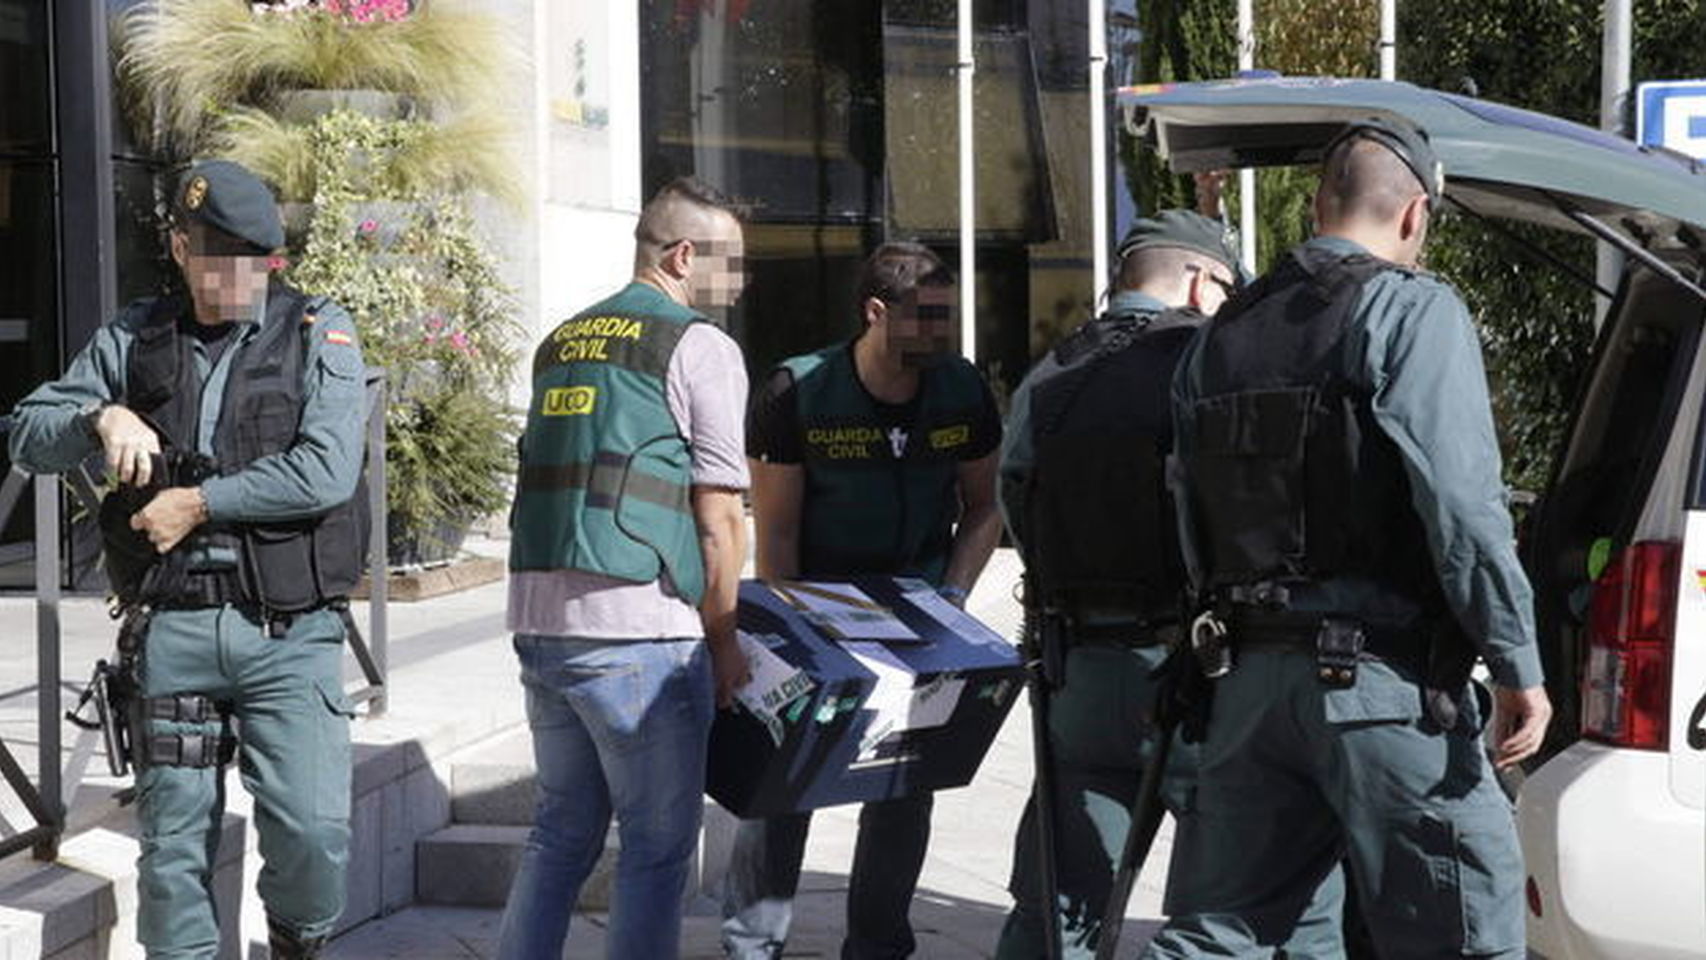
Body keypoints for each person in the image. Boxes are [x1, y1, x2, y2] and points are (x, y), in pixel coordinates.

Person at [1143, 118, 1553, 959]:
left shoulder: (1219, 335)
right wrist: (1518, 663)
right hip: (1378, 692)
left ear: (1322, 201)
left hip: (1248, 686)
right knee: (1467, 931)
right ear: (1412, 218)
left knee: (1222, 937)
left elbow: (1188, 504)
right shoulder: (1411, 309)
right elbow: (1465, 509)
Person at [9, 160, 368, 959]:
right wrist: (101, 416)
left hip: (287, 635)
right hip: (171, 626)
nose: (245, 276)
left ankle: (295, 943)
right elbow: (27, 432)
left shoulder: (318, 331)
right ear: (180, 246)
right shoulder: (135, 336)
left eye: (260, 259)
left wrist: (199, 503)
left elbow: (327, 469)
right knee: (171, 858)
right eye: (223, 258)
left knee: (312, 834)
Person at [992, 210, 1344, 959]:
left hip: (1077, 673)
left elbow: (1016, 505)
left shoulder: (1050, 375)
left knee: (1059, 907)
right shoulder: (1207, 363)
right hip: (1194, 680)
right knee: (1247, 906)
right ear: (1196, 278)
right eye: (1228, 287)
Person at [722, 242, 1003, 959]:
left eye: (949, 318)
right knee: (782, 787)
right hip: (819, 612)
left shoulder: (963, 390)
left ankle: (879, 946)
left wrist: (952, 601)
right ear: (875, 312)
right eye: (928, 319)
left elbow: (984, 506)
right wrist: (798, 639)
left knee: (905, 786)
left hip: (918, 617)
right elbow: (776, 529)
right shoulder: (796, 390)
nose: (943, 335)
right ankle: (753, 947)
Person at [496, 176, 751, 959]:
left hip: (542, 628)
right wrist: (725, 639)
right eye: (732, 263)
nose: (740, 284)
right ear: (682, 255)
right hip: (641, 636)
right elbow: (718, 516)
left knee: (559, 837)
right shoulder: (699, 345)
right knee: (655, 850)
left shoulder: (561, 339)